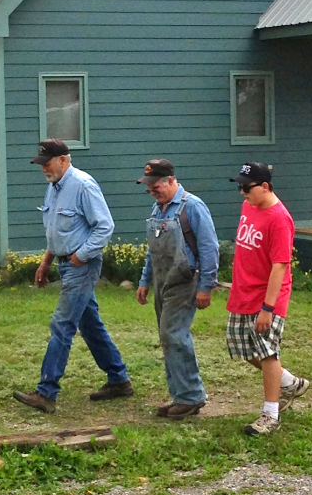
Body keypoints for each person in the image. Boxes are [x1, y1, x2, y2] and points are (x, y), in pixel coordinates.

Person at [13, 139, 132, 414]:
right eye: (41, 164)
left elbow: (104, 226)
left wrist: (81, 255)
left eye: (48, 163)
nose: (43, 168)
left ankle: (46, 392)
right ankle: (119, 379)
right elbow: (56, 230)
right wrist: (46, 262)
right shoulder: (53, 188)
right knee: (90, 325)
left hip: (82, 266)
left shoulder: (83, 185)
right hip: (65, 263)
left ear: (64, 160)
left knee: (62, 324)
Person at [226, 162, 309, 436]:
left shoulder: (279, 219)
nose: (241, 193)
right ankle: (289, 382)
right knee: (240, 347)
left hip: (267, 297)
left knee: (267, 351)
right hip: (243, 292)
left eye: (246, 188)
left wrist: (268, 308)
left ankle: (270, 415)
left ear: (265, 187)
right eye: (239, 187)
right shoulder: (249, 206)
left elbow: (280, 266)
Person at [136, 159, 219, 419]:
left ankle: (191, 396)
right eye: (148, 186)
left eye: (156, 185)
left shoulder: (192, 207)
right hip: (163, 281)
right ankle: (181, 395)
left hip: (185, 281)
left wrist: (206, 287)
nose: (152, 190)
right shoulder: (157, 208)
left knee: (173, 335)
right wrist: (145, 280)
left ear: (171, 180)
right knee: (167, 337)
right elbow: (153, 250)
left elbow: (209, 248)